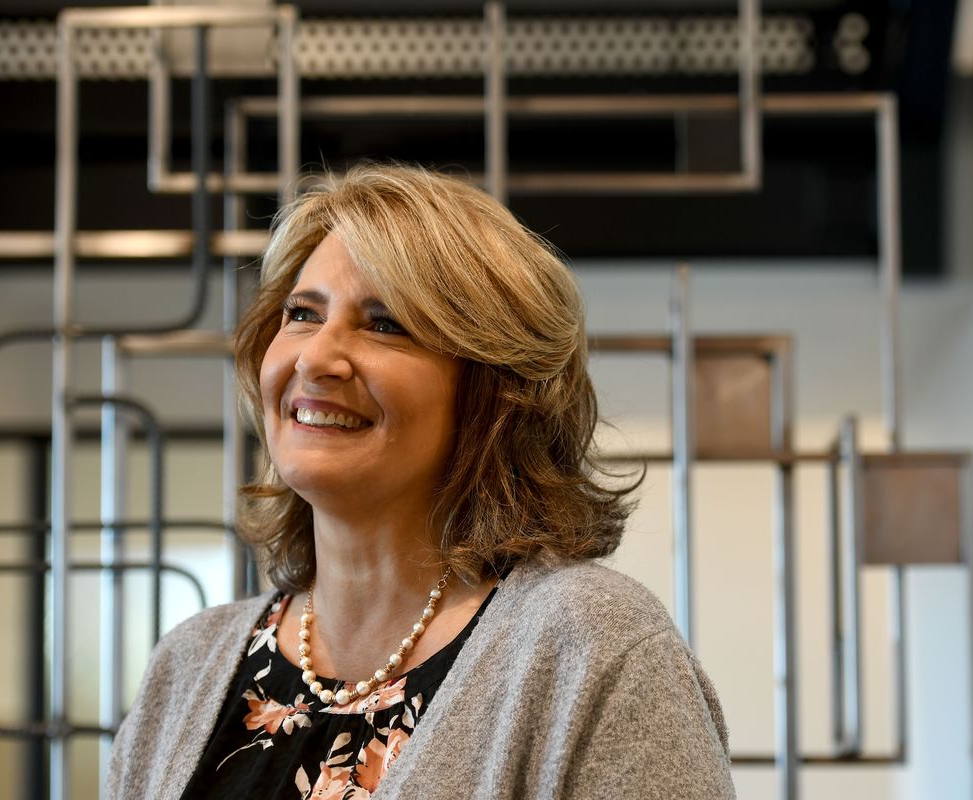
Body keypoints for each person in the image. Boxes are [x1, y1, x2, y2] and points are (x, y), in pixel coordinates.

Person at [106, 164, 736, 799]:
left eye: (385, 323)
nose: (317, 358)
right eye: (302, 313)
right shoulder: (187, 665)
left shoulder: (591, 648)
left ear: (492, 390)